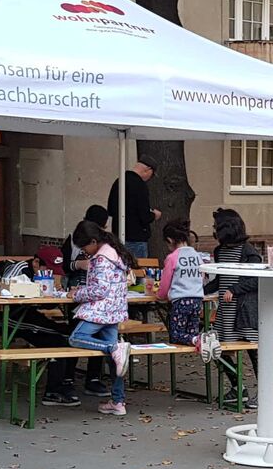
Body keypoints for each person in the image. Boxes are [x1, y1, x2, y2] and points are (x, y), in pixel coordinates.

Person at [66, 220, 132, 416]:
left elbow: (100, 289)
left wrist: (77, 294)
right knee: (116, 361)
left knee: (76, 338)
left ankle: (113, 348)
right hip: (114, 310)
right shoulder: (116, 252)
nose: (86, 252)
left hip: (100, 310)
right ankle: (118, 402)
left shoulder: (102, 258)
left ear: (93, 241)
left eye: (85, 248)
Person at [210, 207, 262, 410]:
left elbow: (257, 280)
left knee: (253, 352)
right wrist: (198, 290)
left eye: (216, 226)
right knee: (220, 349)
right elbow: (219, 280)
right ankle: (237, 385)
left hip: (244, 311)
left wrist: (235, 289)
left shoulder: (249, 252)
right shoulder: (220, 251)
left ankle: (264, 391)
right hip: (225, 311)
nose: (213, 230)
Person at [158, 219, 207, 347]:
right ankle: (199, 339)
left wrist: (161, 296)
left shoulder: (173, 257)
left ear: (169, 240)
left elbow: (165, 283)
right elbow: (201, 277)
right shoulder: (197, 256)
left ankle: (198, 340)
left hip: (180, 300)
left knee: (175, 335)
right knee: (191, 333)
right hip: (197, 300)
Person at [110, 158, 160, 259]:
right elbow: (144, 215)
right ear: (148, 170)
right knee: (138, 271)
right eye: (152, 174)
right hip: (136, 239)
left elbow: (111, 209)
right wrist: (154, 215)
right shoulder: (140, 185)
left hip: (118, 235)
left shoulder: (119, 181)